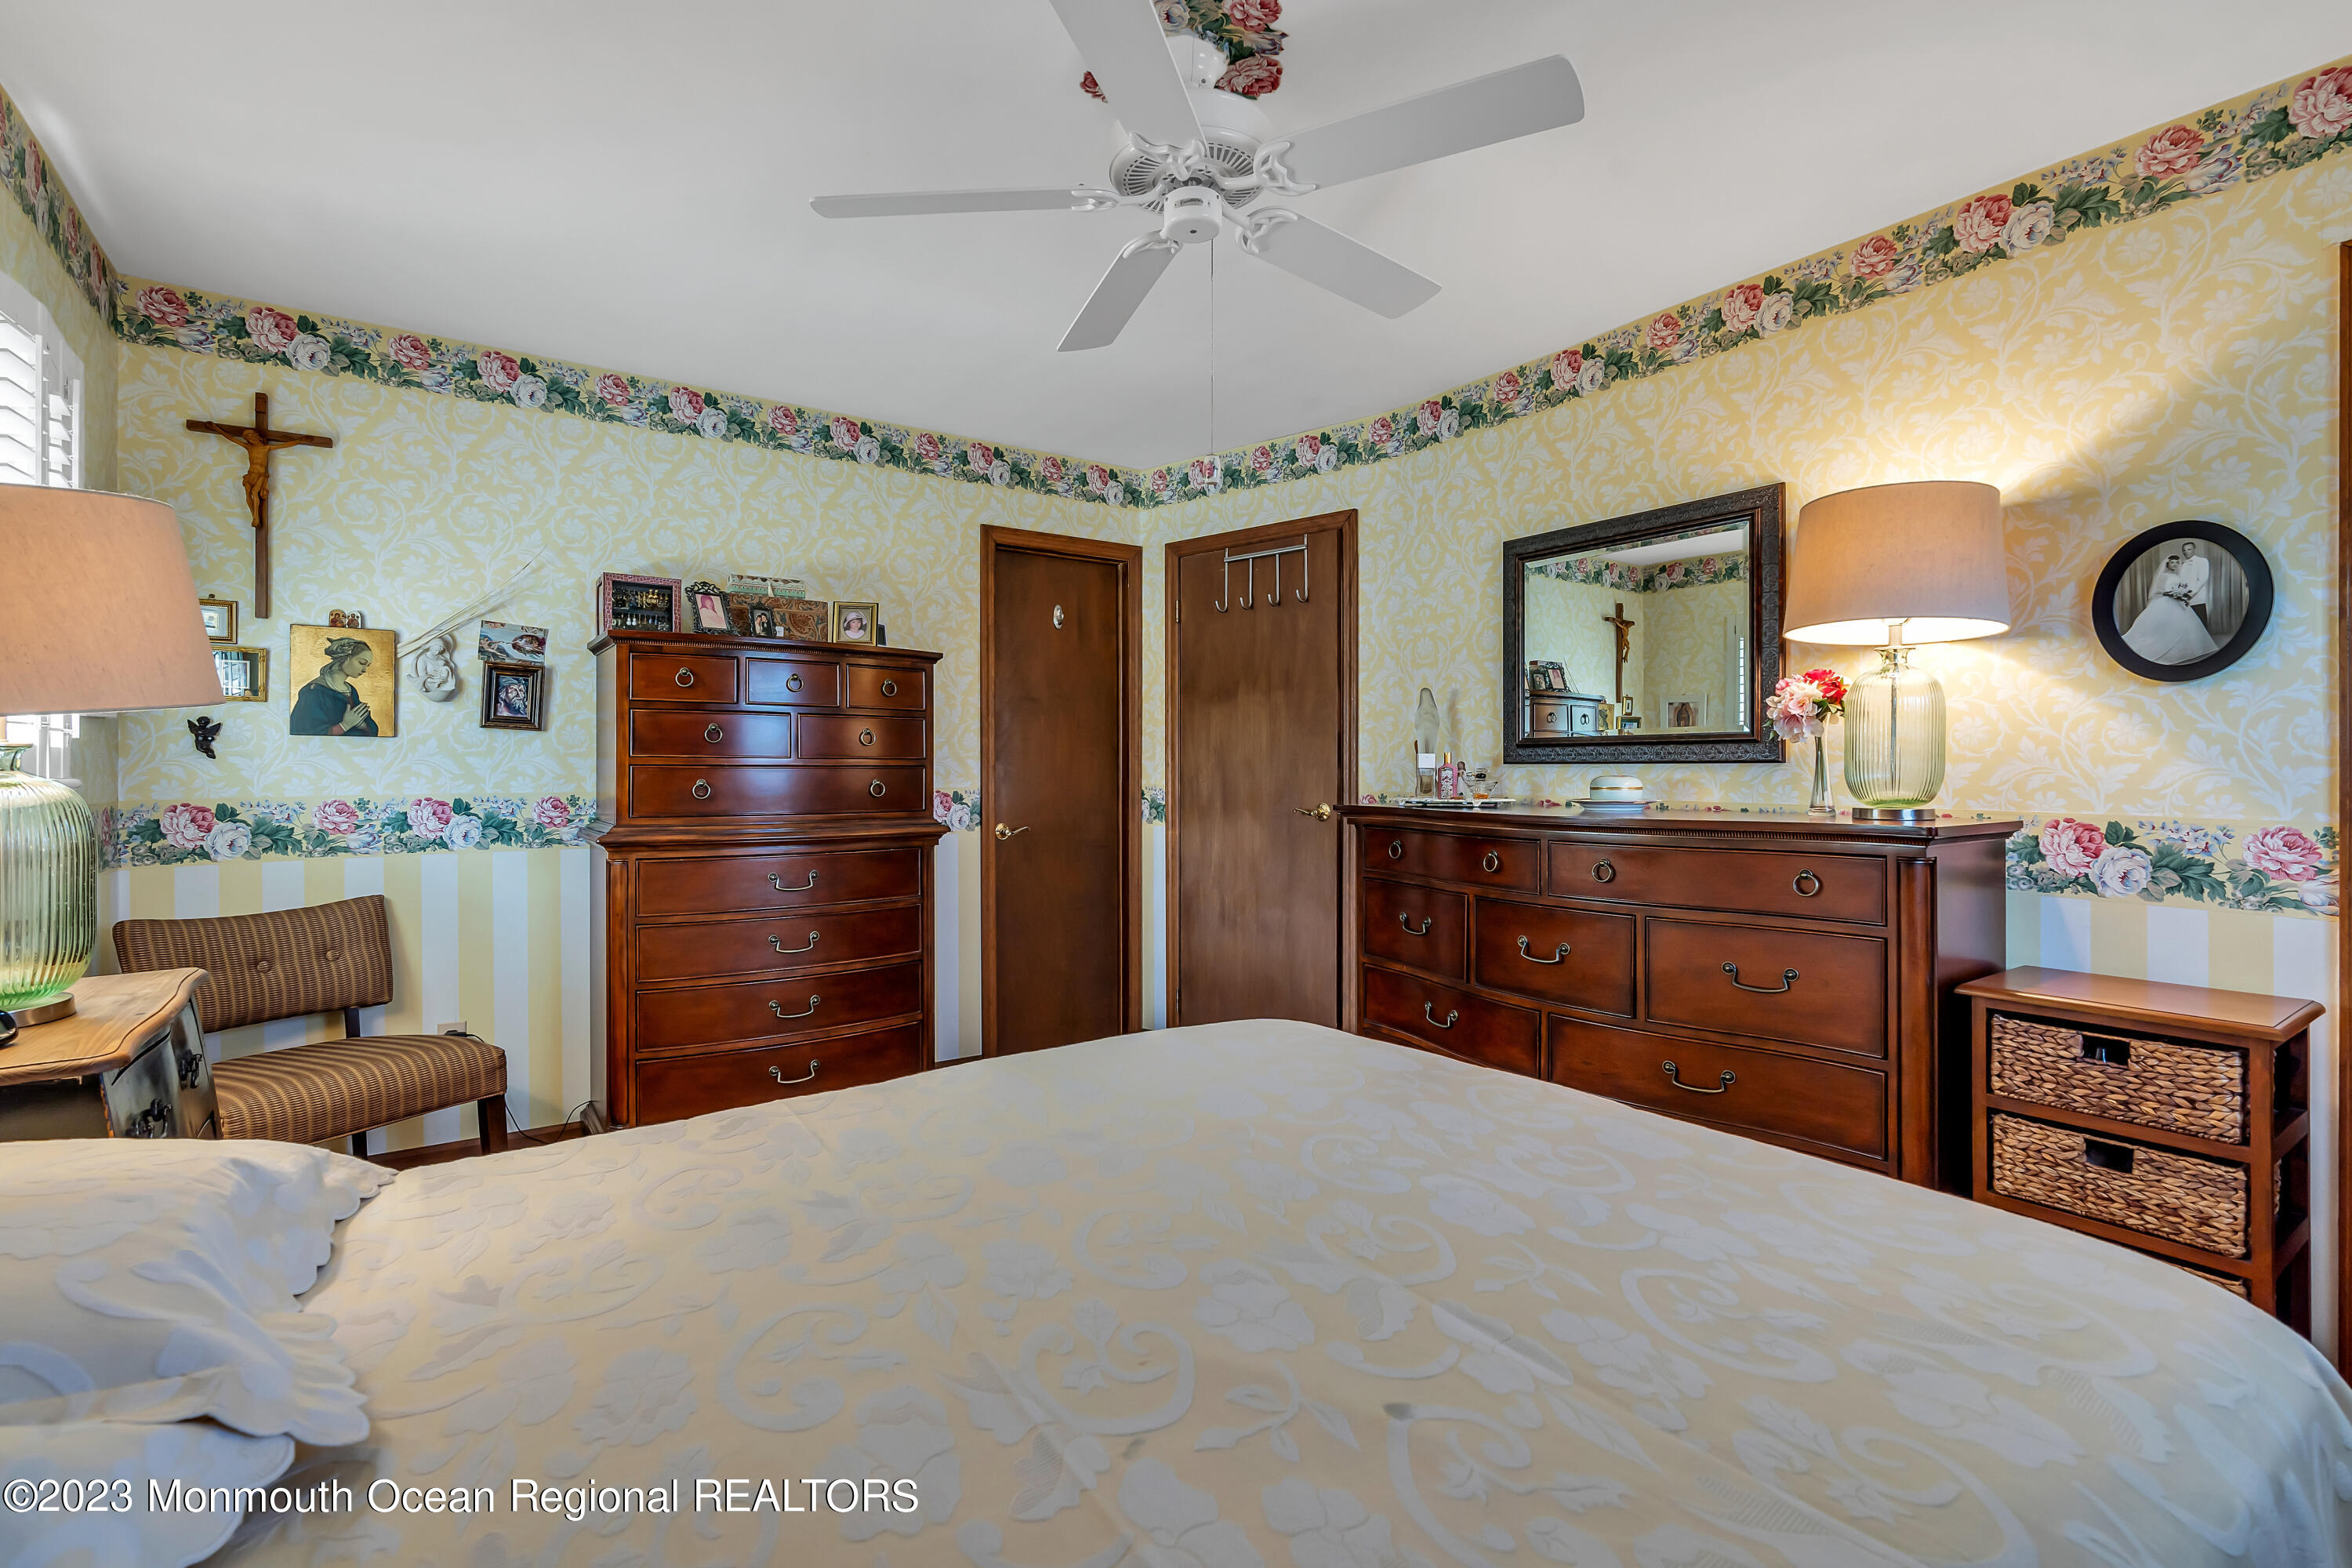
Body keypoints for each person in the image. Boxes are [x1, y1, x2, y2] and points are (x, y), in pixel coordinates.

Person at [2121, 551, 2218, 665]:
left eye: (2177, 562)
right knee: (2165, 627)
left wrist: (2182, 596)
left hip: (2177, 602)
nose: (2175, 564)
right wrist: (2172, 594)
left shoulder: (2177, 576)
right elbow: (2158, 591)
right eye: (2172, 562)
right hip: (2165, 602)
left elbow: (2179, 588)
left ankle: (2185, 651)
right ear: (2168, 564)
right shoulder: (2163, 576)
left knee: (2185, 623)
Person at [290, 637, 379, 735]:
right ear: (344, 658)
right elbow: (302, 731)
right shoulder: (313, 692)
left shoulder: (351, 690)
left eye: (368, 665)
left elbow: (372, 729)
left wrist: (363, 725)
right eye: (362, 663)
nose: (364, 670)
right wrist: (345, 725)